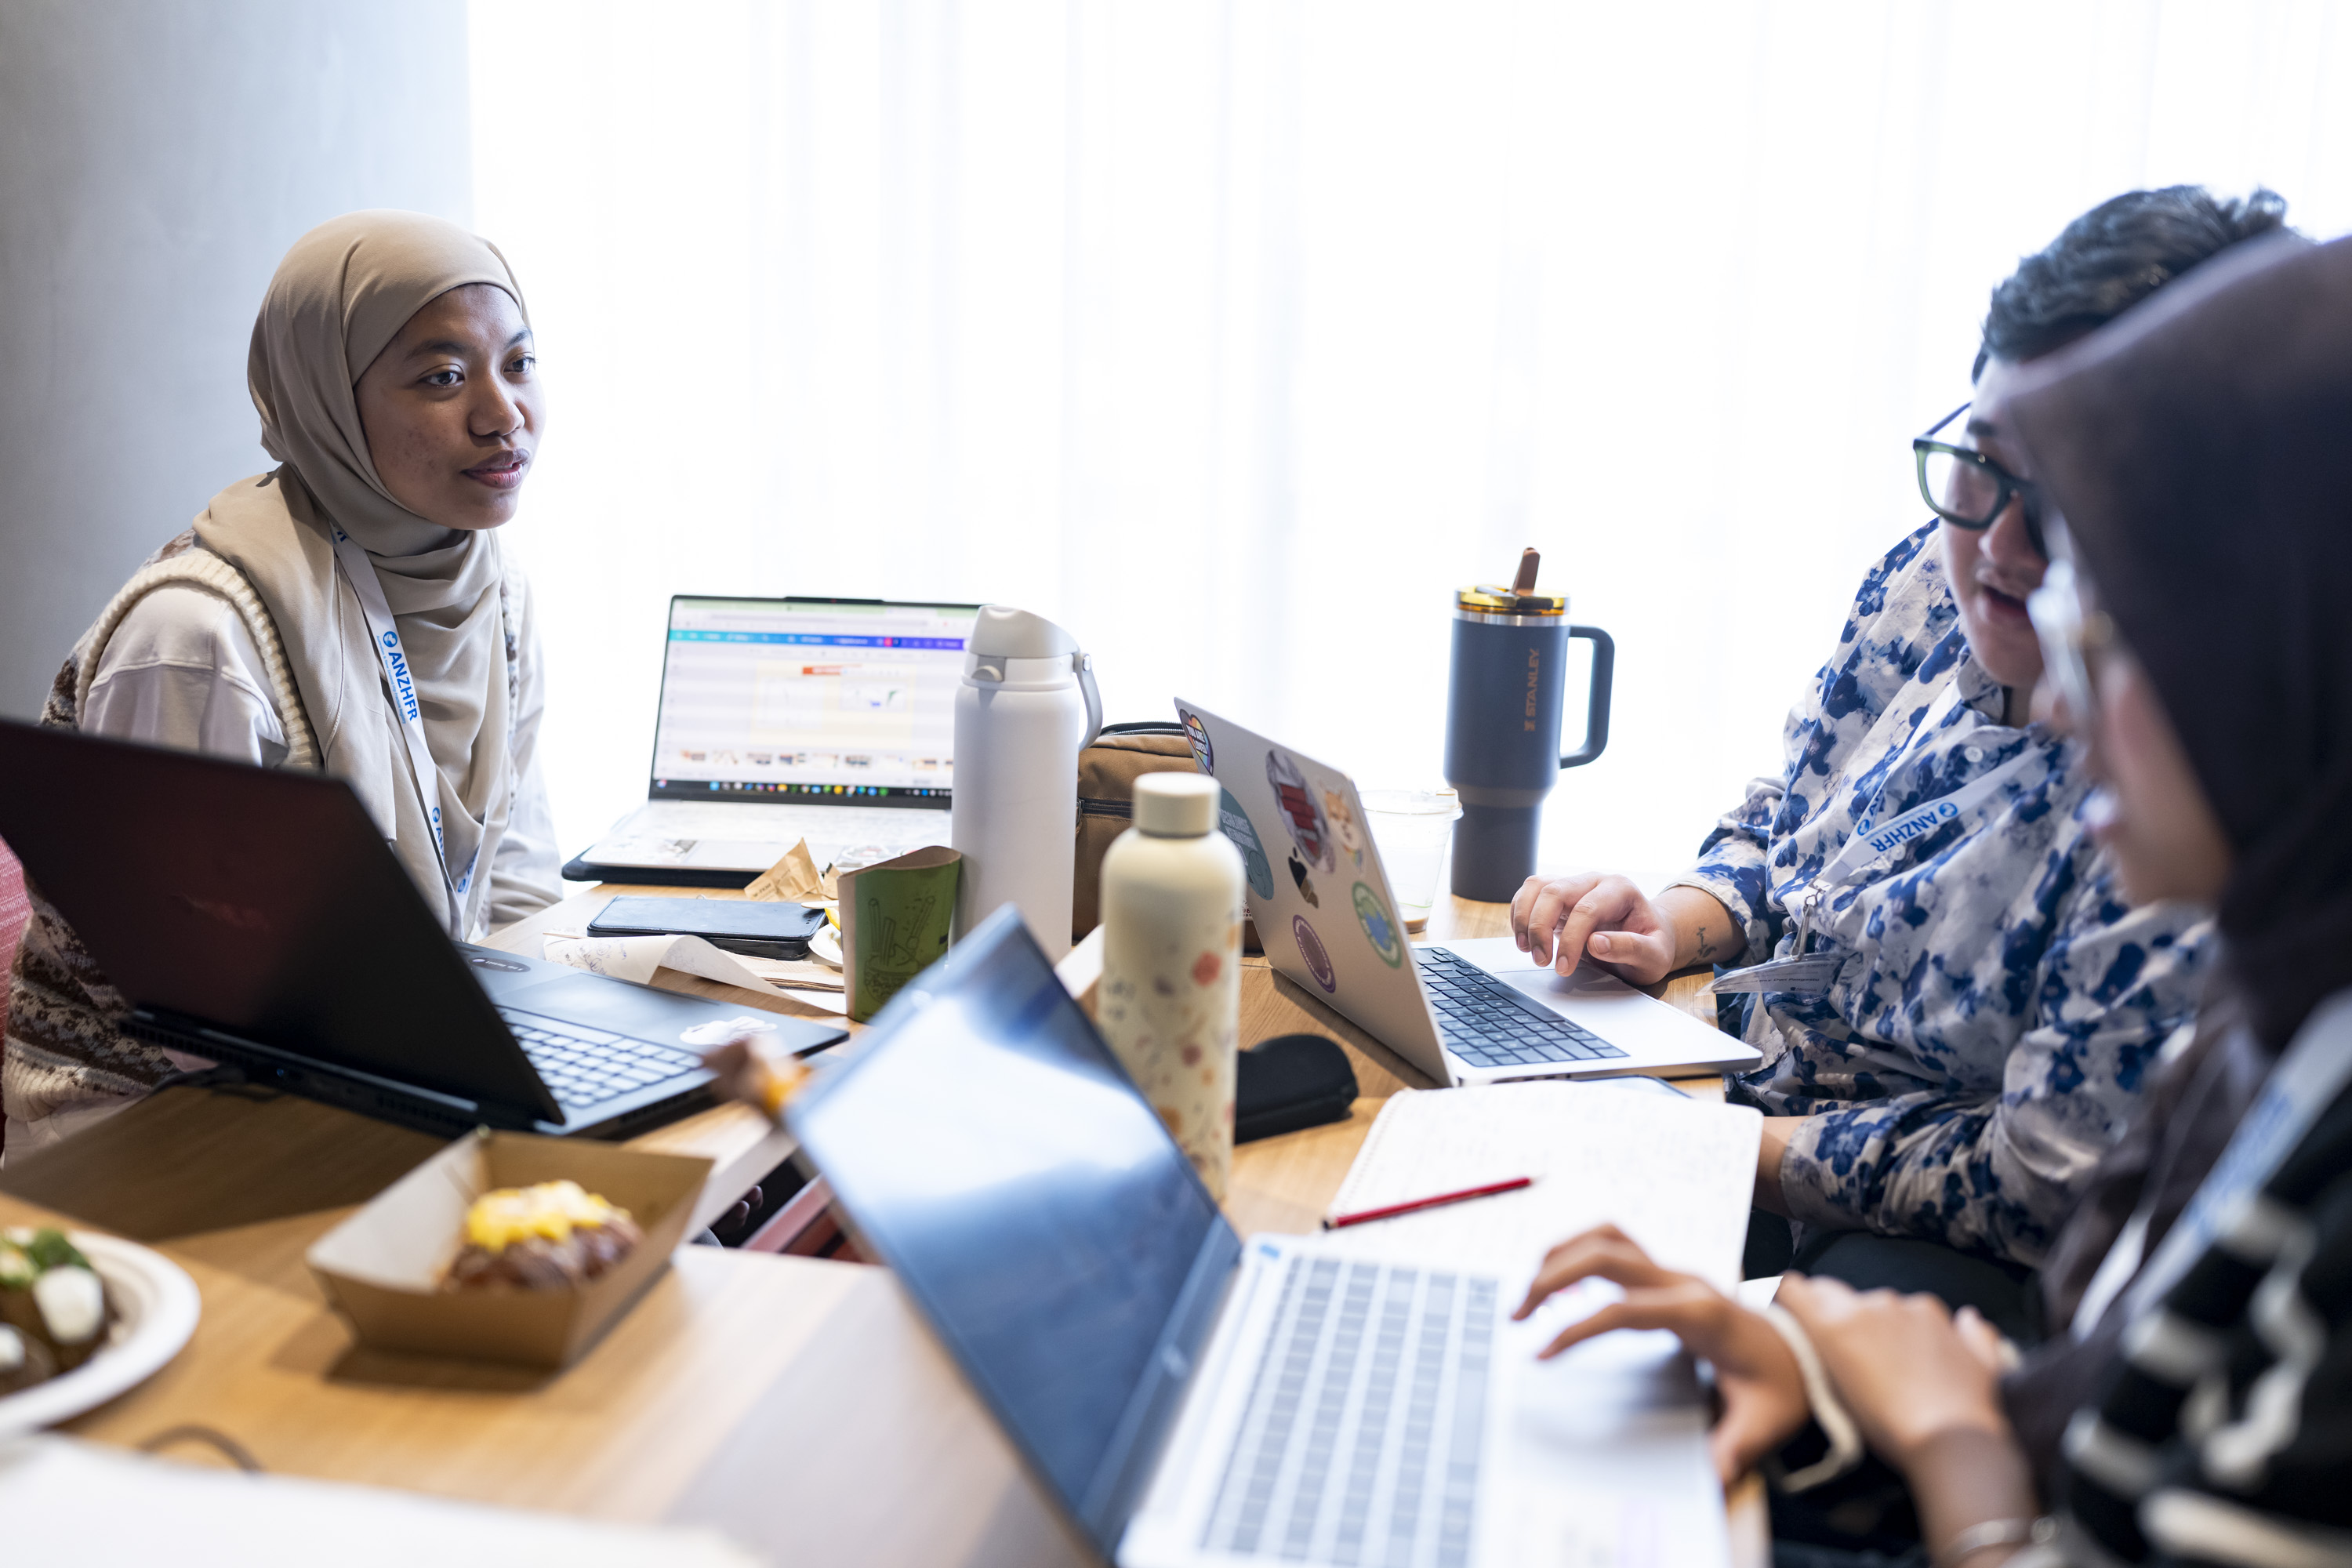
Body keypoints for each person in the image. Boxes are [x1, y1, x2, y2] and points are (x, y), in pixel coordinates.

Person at [1516, 227, 2352, 1567]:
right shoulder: (2275, 1030)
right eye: (1981, 477)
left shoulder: (2309, 1121)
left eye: (2113, 630)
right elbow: (2106, 1424)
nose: (2056, 704)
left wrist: (1953, 1443)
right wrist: (1836, 1389)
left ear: (2273, 647)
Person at [2, 211, 563, 1157]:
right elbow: (194, 1011)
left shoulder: (491, 592)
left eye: (518, 363)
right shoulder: (198, 634)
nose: (502, 413)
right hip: (150, 1131)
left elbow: (516, 889)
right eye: (442, 376)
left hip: (399, 1081)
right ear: (325, 401)